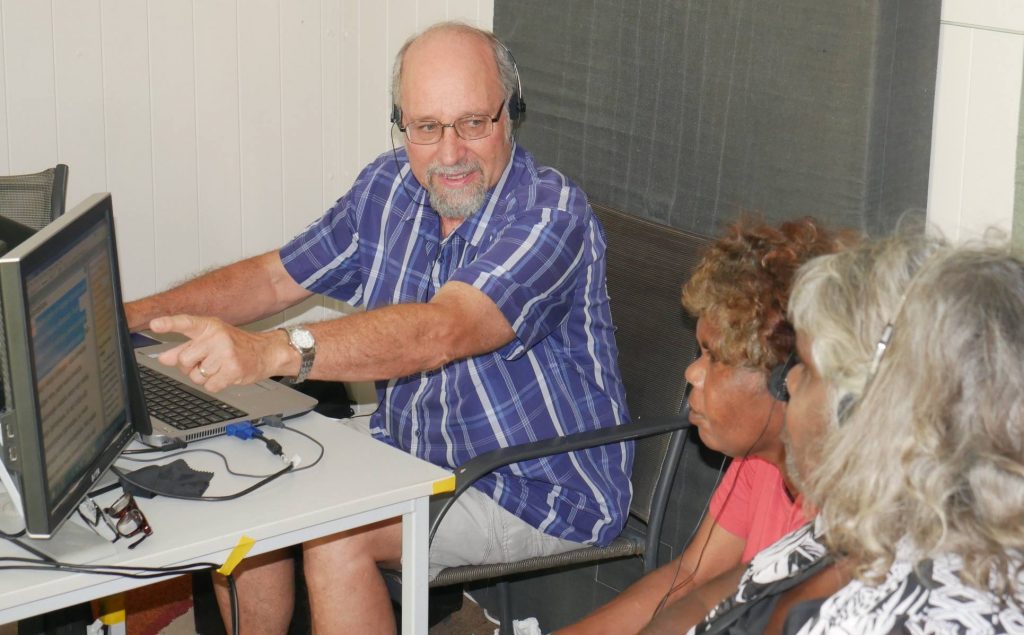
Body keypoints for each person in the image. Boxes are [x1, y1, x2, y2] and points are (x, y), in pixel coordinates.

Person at [125, 22, 632, 634]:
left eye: (473, 123)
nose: (449, 154)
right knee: (247, 477)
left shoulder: (550, 214)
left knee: (337, 536)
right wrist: (126, 320)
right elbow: (274, 278)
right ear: (402, 124)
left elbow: (441, 332)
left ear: (511, 116)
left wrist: (270, 352)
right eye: (426, 128)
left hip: (536, 486)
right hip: (412, 451)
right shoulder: (388, 186)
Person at [651, 231, 1024, 634]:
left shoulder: (928, 619)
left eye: (807, 369)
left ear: (868, 409)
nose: (787, 382)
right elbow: (717, 594)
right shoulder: (856, 530)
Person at [556, 217, 848, 635]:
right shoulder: (761, 460)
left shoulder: (854, 520)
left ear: (787, 378)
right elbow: (691, 578)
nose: (692, 372)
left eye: (715, 357)